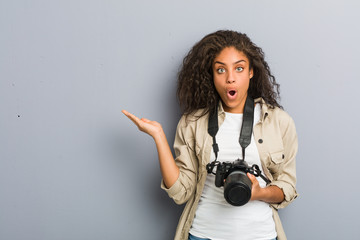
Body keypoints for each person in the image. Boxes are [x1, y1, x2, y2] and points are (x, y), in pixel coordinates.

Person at [122, 30, 298, 240]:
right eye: (221, 70)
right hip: (204, 234)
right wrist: (158, 136)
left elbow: (286, 187)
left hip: (261, 235)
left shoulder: (278, 121)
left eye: (239, 68)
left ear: (251, 72)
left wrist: (258, 193)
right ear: (211, 75)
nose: (230, 78)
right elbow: (180, 193)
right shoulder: (193, 123)